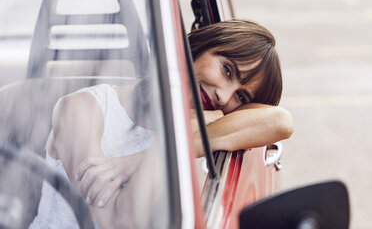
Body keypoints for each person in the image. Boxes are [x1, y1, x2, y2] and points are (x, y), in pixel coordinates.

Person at [30, 19, 293, 228]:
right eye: (227, 70)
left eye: (240, 97)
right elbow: (121, 222)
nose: (223, 96)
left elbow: (281, 121)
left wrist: (138, 158)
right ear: (200, 47)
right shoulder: (82, 108)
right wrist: (177, 142)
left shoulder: (207, 122)